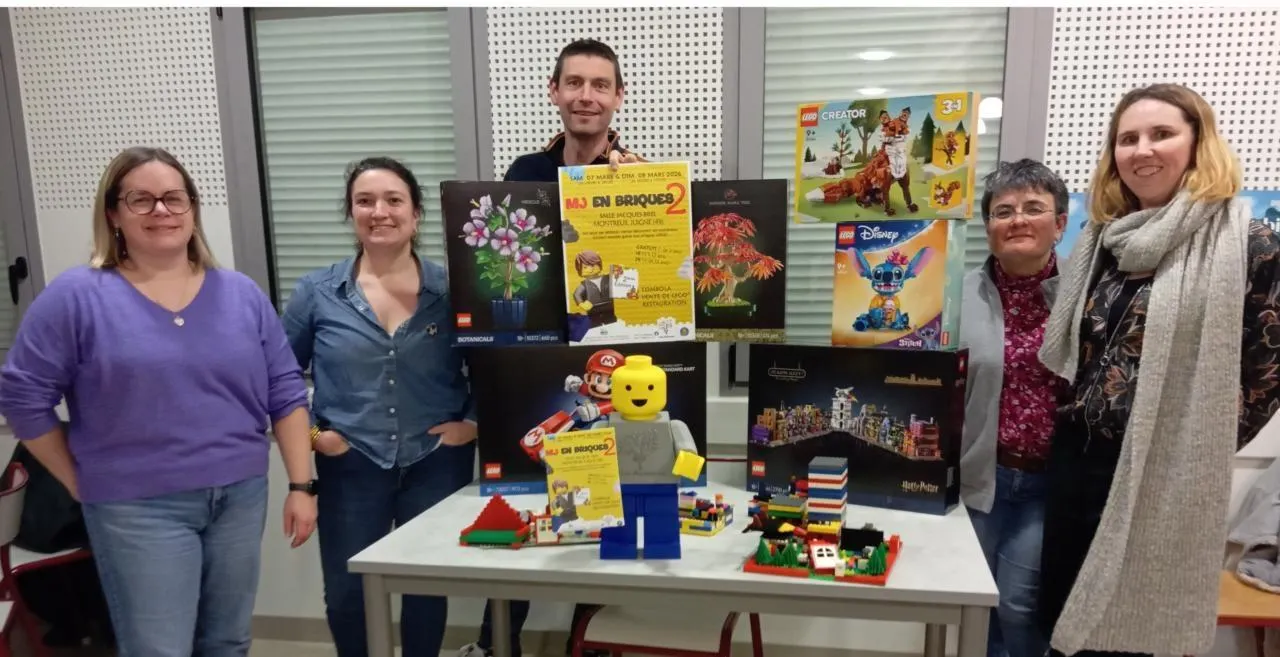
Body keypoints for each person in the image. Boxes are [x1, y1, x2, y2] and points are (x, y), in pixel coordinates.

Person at [0, 146, 317, 656]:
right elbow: (22, 396)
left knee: (228, 641)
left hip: (239, 497)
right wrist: (76, 478)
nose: (161, 210)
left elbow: (284, 389)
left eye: (174, 197)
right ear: (113, 213)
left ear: (192, 207)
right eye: (141, 200)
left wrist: (301, 485)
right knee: (159, 648)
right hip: (136, 508)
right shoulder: (76, 297)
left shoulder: (240, 294)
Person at [1037, 83, 1280, 657]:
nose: (1142, 150)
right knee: (1065, 623)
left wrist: (1191, 441)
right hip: (1079, 459)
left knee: (1132, 630)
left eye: (1161, 134)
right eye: (1127, 139)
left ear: (1198, 142)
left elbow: (1266, 373)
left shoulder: (1249, 242)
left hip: (1163, 466)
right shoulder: (1105, 239)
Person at [457, 37, 638, 657]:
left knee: (605, 511)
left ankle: (589, 645)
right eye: (575, 83)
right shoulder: (523, 175)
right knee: (527, 507)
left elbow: (648, 283)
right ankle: (495, 645)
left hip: (609, 362)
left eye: (600, 85)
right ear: (554, 92)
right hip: (533, 363)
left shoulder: (638, 175)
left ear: (618, 97)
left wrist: (634, 203)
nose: (587, 96)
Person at [283, 156, 478, 657]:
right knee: (348, 594)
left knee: (426, 591)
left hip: (435, 464)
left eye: (394, 200)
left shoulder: (455, 290)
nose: (379, 211)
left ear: (416, 214)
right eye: (365, 201)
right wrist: (313, 437)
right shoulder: (317, 293)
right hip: (351, 466)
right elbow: (278, 381)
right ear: (351, 213)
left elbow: (495, 365)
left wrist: (473, 424)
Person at [959, 159, 1068, 657]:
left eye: (1033, 208)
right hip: (980, 477)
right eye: (1003, 211)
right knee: (975, 604)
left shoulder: (1086, 295)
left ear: (1059, 223)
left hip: (1050, 484)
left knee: (1020, 606)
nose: (1017, 220)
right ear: (988, 228)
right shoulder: (957, 294)